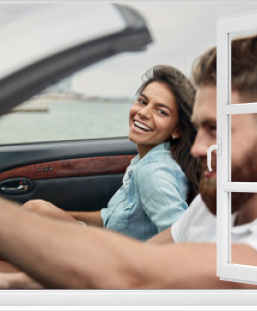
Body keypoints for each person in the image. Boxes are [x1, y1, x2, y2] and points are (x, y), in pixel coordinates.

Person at [0, 34, 257, 289]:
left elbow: (134, 275)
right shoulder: (217, 203)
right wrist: (14, 283)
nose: (200, 149)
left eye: (217, 130)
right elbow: (148, 257)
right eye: (202, 129)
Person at [22, 65, 200, 241]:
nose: (143, 112)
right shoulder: (146, 160)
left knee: (34, 210)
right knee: (35, 214)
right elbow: (110, 218)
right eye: (143, 101)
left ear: (177, 130)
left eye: (161, 111)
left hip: (116, 261)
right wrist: (61, 215)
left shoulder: (153, 171)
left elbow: (181, 240)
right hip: (108, 246)